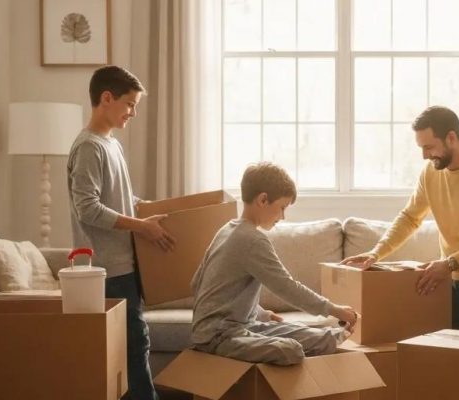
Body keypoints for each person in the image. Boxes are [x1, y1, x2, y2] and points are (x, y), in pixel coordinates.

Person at [342, 106, 459, 329]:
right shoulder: (430, 172)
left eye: (429, 147)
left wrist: (448, 263)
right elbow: (410, 217)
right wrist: (376, 253)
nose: (424, 155)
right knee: (439, 348)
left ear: (451, 138)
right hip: (449, 280)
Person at [68, 65, 175, 400]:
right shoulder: (89, 147)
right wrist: (140, 226)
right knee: (133, 344)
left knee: (133, 343)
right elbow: (88, 208)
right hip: (108, 268)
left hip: (127, 263)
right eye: (129, 104)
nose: (133, 112)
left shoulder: (112, 145)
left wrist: (146, 210)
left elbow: (123, 200)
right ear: (106, 98)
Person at [190, 162, 359, 366]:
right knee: (291, 350)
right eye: (282, 208)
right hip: (218, 337)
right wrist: (336, 310)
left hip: (241, 327)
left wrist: (260, 313)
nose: (283, 216)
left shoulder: (227, 229)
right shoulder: (252, 239)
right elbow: (287, 287)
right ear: (263, 199)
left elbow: (197, 283)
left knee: (327, 337)